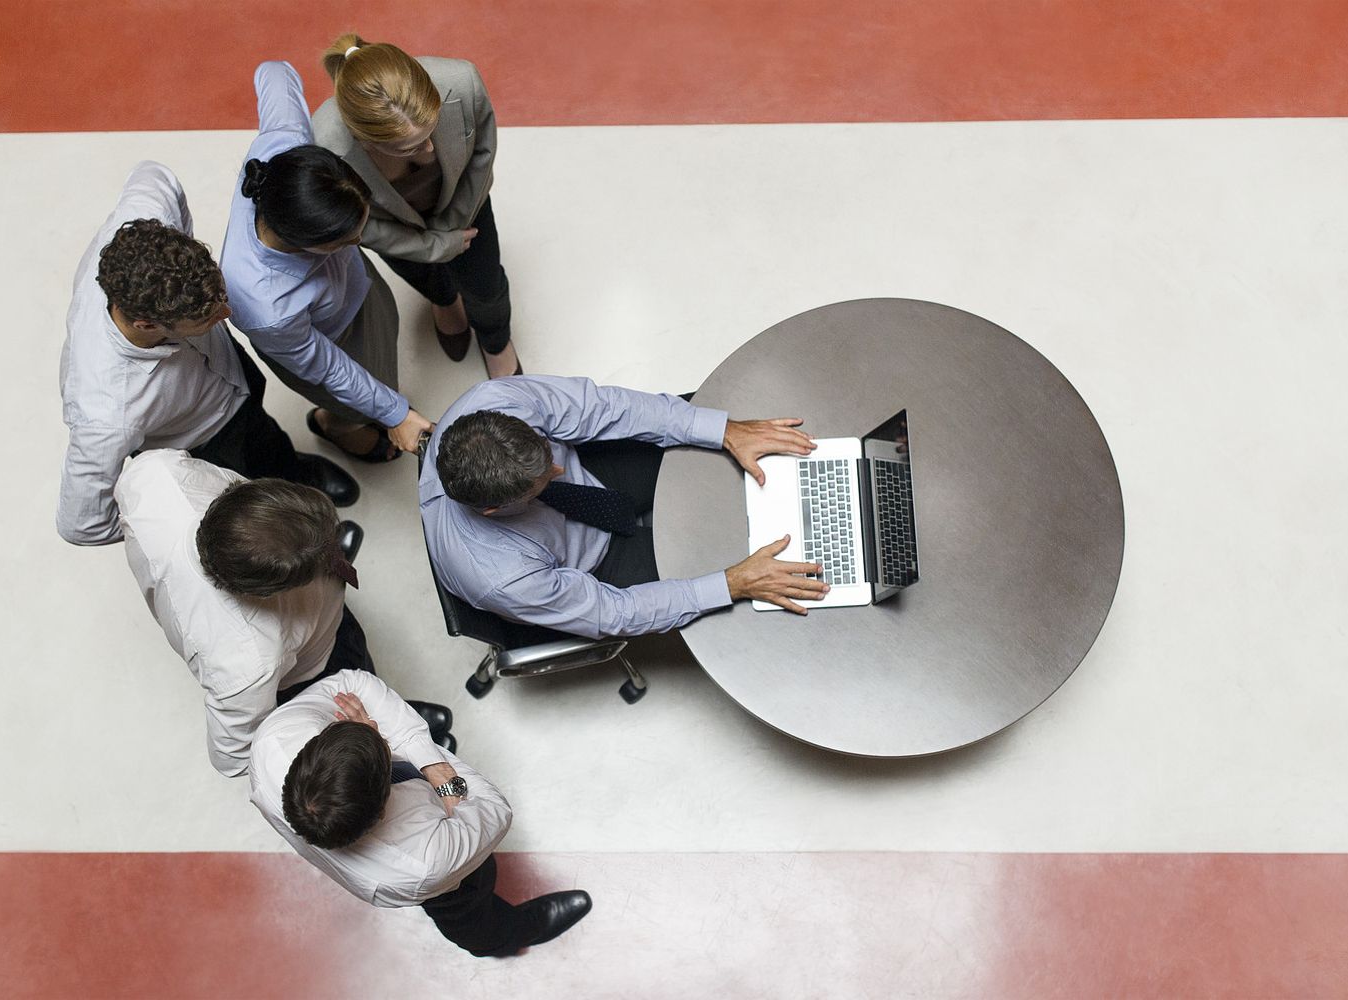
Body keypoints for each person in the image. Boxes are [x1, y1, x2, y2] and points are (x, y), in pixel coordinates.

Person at [57, 160, 358, 546]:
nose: (228, 313)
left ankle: (294, 472)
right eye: (208, 317)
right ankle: (294, 525)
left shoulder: (146, 220)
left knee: (268, 441)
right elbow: (80, 525)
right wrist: (184, 524)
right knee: (252, 499)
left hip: (231, 379)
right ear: (147, 325)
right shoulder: (106, 415)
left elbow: (155, 174)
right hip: (207, 441)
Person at [115, 449, 452, 777]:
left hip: (304, 622)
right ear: (266, 592)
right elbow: (232, 759)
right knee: (357, 680)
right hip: (315, 669)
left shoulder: (156, 472)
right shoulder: (249, 664)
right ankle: (395, 746)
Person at [419, 375, 832, 639]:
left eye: (548, 452)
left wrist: (724, 430)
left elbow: (606, 408)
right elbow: (616, 613)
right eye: (544, 479)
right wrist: (734, 583)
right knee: (748, 575)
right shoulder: (503, 578)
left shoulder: (496, 400)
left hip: (594, 479)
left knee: (719, 453)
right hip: (590, 568)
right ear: (494, 510)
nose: (558, 469)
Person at [250, 669, 592, 956]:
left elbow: (351, 681)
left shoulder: (275, 738)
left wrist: (412, 751)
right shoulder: (425, 864)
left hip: (377, 796)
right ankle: (508, 935)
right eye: (386, 749)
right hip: (448, 879)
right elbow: (493, 810)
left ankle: (418, 753)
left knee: (413, 750)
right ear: (382, 810)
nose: (380, 733)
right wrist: (436, 769)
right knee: (470, 910)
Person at [222, 61, 434, 464]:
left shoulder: (285, 149)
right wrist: (397, 414)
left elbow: (274, 72)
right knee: (351, 405)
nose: (360, 242)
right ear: (304, 244)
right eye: (346, 240)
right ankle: (334, 426)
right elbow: (331, 369)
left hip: (353, 290)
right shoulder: (267, 308)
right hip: (328, 338)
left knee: (382, 359)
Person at [313, 34, 521, 380]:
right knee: (423, 276)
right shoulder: (325, 147)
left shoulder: (462, 81)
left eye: (432, 130)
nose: (429, 150)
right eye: (408, 148)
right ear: (364, 142)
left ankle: (496, 342)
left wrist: (454, 225)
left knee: (486, 286)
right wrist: (431, 247)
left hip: (466, 206)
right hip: (395, 229)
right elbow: (356, 223)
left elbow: (482, 156)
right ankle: (445, 300)